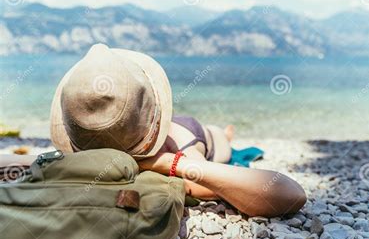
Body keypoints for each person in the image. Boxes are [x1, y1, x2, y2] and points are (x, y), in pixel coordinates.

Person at [28, 44, 308, 217]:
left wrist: (165, 162)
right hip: (159, 132)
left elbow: (290, 195)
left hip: (192, 137)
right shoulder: (83, 150)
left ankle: (226, 134)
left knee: (222, 142)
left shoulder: (181, 157)